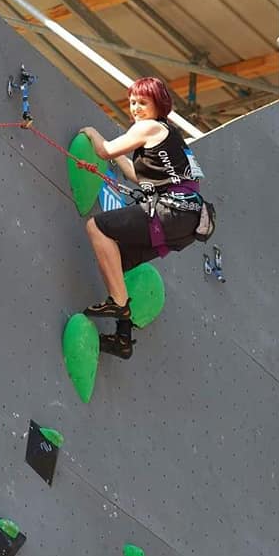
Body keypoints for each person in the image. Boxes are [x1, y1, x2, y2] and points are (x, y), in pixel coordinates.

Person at [80, 77, 203, 360]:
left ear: (158, 105)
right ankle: (123, 338)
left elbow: (104, 150)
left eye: (143, 102)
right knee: (114, 262)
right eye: (133, 102)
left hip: (172, 211)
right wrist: (114, 160)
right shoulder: (170, 137)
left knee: (96, 227)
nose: (135, 108)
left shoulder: (149, 127)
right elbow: (138, 177)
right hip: (185, 221)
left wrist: (92, 133)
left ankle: (119, 304)